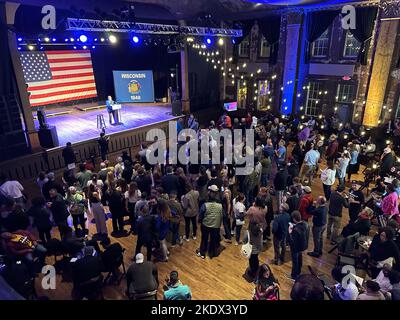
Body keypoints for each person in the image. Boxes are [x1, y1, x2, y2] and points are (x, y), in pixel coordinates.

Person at [197, 185, 223, 259]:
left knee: (204, 238)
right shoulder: (220, 205)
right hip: (216, 226)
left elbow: (201, 215)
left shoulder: (204, 205)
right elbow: (222, 215)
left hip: (206, 225)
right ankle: (211, 253)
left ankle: (202, 253)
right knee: (213, 239)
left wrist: (199, 221)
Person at [287, 210, 309, 280]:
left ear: (293, 219)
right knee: (300, 258)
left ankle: (294, 275)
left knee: (295, 261)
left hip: (295, 248)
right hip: (302, 245)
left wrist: (290, 232)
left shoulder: (296, 230)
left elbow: (292, 241)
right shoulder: (305, 224)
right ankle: (299, 271)